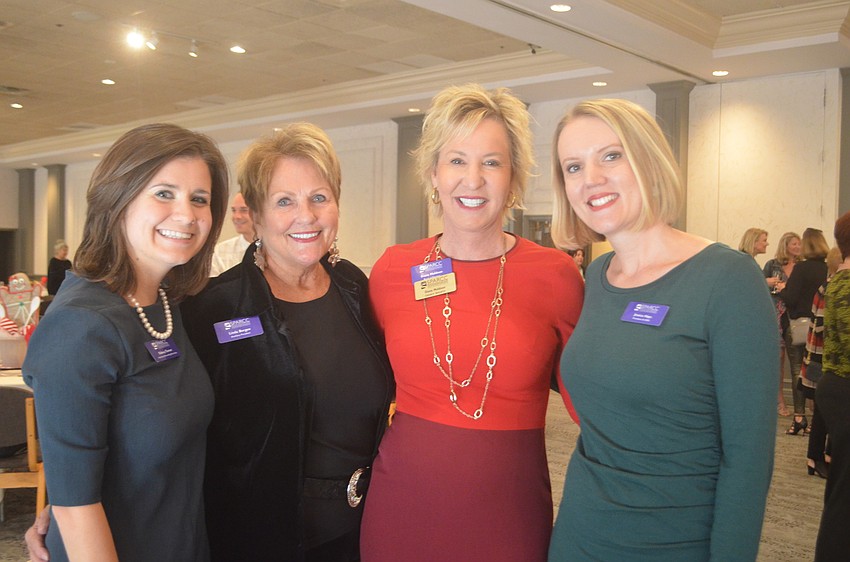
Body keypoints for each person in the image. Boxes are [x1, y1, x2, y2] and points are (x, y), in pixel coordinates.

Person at [359, 84, 584, 562]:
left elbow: (595, 401)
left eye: (492, 162)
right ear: (434, 173)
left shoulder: (555, 276)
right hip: (401, 507)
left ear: (514, 176)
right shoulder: (394, 269)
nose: (473, 179)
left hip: (508, 513)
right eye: (457, 160)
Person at [548, 98, 777, 561]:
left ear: (649, 161)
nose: (591, 178)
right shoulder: (598, 276)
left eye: (611, 155)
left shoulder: (727, 278)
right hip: (580, 532)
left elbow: (748, 458)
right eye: (574, 166)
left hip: (674, 539)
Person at [180, 123, 394, 561]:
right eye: (284, 201)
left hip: (364, 531)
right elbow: (166, 419)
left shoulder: (354, 287)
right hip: (261, 539)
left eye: (319, 197)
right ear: (256, 216)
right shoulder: (215, 308)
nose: (307, 216)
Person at [22, 123, 228, 562]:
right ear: (117, 198)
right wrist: (62, 505)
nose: (187, 214)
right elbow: (75, 506)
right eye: (164, 193)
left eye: (200, 199)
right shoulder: (81, 324)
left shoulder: (166, 303)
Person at [814, 211, 850, 561]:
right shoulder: (847, 284)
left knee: (841, 486)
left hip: (837, 385)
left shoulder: (838, 280)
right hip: (844, 388)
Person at [779, 227, 830, 435]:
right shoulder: (828, 269)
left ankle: (799, 416)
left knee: (797, 370)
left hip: (799, 326)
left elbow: (791, 298)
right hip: (820, 326)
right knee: (818, 370)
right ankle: (818, 419)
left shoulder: (801, 269)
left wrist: (782, 290)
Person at [803, 246, 842, 479]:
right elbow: (823, 326)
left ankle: (824, 455)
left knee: (825, 411)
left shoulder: (827, 286)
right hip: (822, 355)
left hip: (820, 354)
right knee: (822, 412)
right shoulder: (831, 288)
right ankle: (815, 456)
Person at [764, 231, 803, 416]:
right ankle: (779, 401)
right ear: (785, 245)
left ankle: (801, 406)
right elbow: (758, 285)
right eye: (794, 243)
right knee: (777, 360)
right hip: (775, 315)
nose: (798, 246)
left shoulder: (802, 266)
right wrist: (769, 283)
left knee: (797, 361)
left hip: (794, 316)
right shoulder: (772, 265)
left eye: (799, 243)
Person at [209, 192, 254, 276]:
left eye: (244, 210)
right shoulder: (220, 253)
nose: (236, 216)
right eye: (233, 210)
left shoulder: (275, 249)